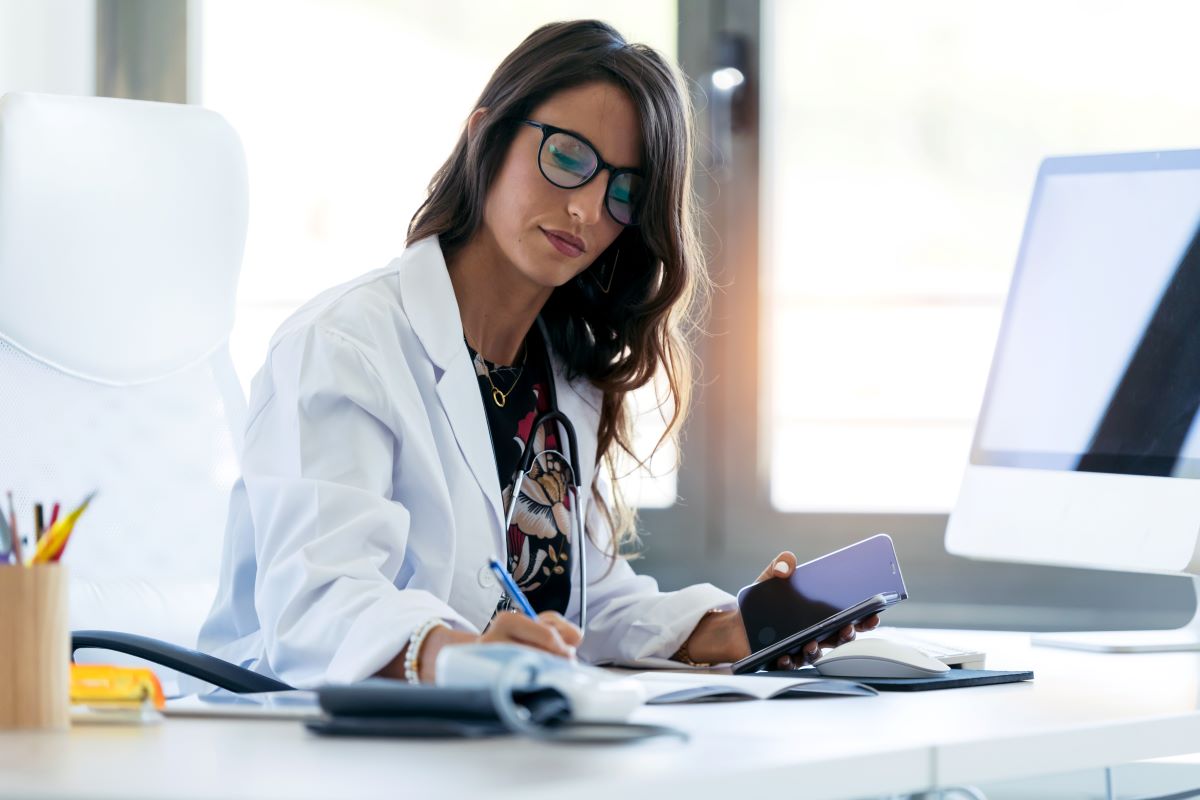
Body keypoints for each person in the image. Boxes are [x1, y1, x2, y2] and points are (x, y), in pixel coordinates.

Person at [197, 19, 877, 688]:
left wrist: (734, 629)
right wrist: (458, 655)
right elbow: (318, 605)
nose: (585, 208)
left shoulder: (565, 372)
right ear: (485, 136)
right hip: (311, 740)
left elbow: (590, 607)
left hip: (503, 736)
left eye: (623, 190)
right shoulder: (344, 347)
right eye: (568, 156)